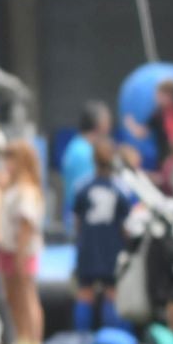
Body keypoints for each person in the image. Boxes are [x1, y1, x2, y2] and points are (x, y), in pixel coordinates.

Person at [0, 139, 54, 344]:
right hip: (8, 248)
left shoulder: (27, 190)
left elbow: (25, 225)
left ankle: (34, 343)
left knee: (27, 294)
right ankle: (21, 339)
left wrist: (20, 253)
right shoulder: (12, 187)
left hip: (22, 249)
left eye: (11, 159)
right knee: (13, 296)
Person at [72, 137, 132, 332]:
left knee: (85, 292)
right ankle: (112, 336)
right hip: (112, 247)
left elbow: (77, 222)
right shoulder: (121, 189)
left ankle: (81, 340)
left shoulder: (82, 187)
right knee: (112, 292)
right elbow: (126, 225)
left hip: (88, 246)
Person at [60, 101, 113, 240]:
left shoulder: (78, 146)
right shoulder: (84, 152)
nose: (110, 125)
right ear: (99, 123)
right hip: (83, 222)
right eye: (107, 120)